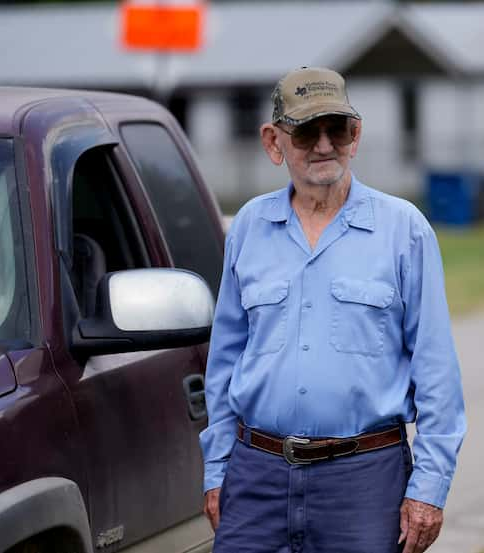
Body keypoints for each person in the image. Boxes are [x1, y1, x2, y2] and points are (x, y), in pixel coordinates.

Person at [199, 66, 466, 553]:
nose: (323, 145)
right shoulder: (248, 229)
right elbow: (223, 364)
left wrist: (428, 489)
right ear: (274, 141)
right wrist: (217, 470)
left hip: (365, 480)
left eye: (336, 129)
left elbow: (437, 373)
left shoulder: (404, 230)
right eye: (305, 131)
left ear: (355, 134)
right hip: (255, 476)